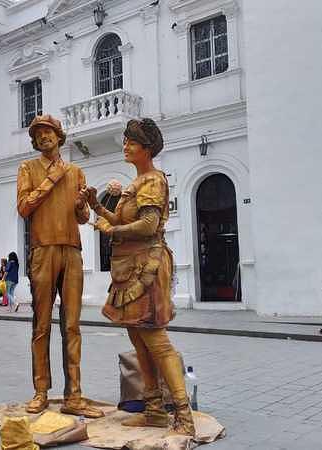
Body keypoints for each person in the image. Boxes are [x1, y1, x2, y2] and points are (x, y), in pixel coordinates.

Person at [85, 118, 194, 436]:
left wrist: (112, 229)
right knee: (138, 339)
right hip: (128, 266)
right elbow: (118, 218)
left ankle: (183, 415)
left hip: (147, 266)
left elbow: (148, 226)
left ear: (147, 148)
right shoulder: (135, 183)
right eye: (125, 140)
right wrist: (96, 206)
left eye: (132, 141)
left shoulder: (153, 181)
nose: (125, 145)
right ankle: (155, 410)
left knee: (156, 340)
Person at [16, 114, 103, 418]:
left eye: (48, 132)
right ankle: (41, 391)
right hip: (43, 250)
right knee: (41, 325)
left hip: (72, 250)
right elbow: (24, 207)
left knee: (72, 326)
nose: (43, 137)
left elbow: (81, 218)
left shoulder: (76, 171)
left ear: (59, 136)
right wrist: (52, 179)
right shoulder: (28, 168)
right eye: (38, 134)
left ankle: (74, 395)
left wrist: (82, 205)